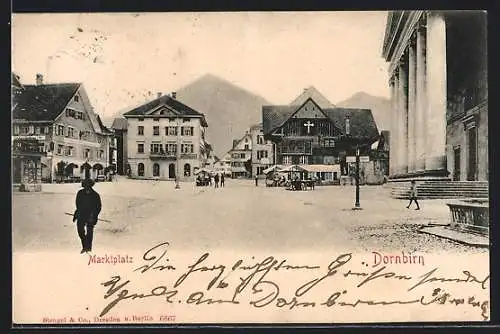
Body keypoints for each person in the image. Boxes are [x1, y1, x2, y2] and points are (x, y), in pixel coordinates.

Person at [73, 178, 102, 253]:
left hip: (91, 216)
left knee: (89, 232)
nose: (86, 187)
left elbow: (98, 207)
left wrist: (93, 215)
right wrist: (78, 212)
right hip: (81, 214)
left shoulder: (95, 195)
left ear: (90, 186)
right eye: (85, 186)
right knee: (80, 231)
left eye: (87, 186)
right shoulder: (80, 193)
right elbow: (77, 204)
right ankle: (85, 245)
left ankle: (88, 248)